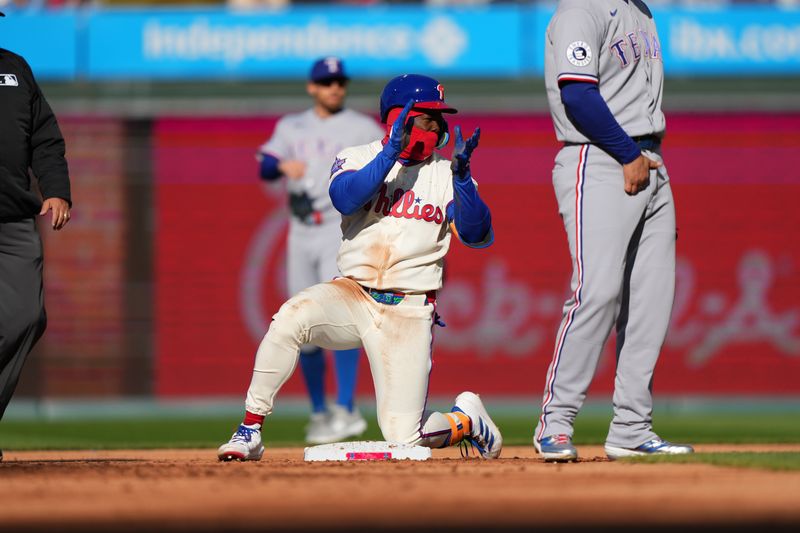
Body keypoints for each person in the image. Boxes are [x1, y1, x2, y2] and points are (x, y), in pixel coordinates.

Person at [218, 74, 502, 461]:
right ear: (396, 117)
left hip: (409, 309)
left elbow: (478, 235)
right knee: (289, 318)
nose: (434, 127)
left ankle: (465, 420)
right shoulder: (357, 155)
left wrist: (465, 182)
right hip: (352, 294)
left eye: (438, 120)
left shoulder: (444, 173)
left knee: (405, 439)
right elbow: (346, 199)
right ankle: (249, 429)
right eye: (424, 118)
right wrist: (391, 153)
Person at [533, 0, 694, 462]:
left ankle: (631, 427)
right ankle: (556, 422)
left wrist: (638, 157)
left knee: (651, 300)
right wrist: (627, 154)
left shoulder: (641, 11)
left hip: (649, 159)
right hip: (600, 157)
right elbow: (578, 95)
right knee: (597, 292)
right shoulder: (580, 10)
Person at [256, 57, 384, 444]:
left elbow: (386, 165)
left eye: (339, 82)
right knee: (303, 325)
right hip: (300, 229)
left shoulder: (361, 127)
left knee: (342, 318)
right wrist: (280, 167)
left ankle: (345, 407)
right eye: (326, 82)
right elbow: (264, 166)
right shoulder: (291, 126)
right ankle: (319, 413)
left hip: (337, 229)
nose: (334, 88)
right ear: (312, 87)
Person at [0, 13, 72, 463]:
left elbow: (45, 139)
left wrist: (57, 190)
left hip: (12, 218)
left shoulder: (15, 69)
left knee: (27, 317)